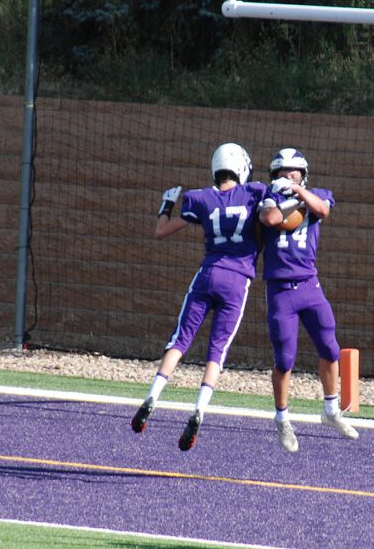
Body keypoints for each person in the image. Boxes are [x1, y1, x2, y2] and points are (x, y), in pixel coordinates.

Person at [130, 142, 267, 452]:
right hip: (237, 280)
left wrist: (166, 204)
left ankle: (152, 395)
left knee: (181, 339)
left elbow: (161, 232)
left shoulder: (201, 199)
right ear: (241, 167)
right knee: (217, 349)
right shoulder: (255, 193)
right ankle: (199, 410)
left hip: (207, 274)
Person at [257, 148, 358, 453]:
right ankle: (282, 418)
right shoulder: (267, 198)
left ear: (304, 174)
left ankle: (330, 410)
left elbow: (323, 210)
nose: (289, 175)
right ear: (274, 176)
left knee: (330, 347)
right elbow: (273, 218)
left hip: (309, 285)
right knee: (285, 359)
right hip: (280, 290)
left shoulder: (316, 194)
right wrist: (286, 196)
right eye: (283, 172)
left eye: (295, 171)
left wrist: (299, 191)